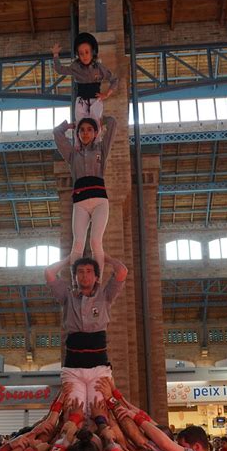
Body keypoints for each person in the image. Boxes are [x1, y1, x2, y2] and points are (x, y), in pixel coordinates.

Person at [45, 254, 127, 410]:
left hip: (99, 365)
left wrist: (106, 258)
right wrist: (68, 260)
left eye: (89, 271)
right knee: (75, 409)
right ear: (75, 277)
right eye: (80, 272)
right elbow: (49, 273)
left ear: (96, 277)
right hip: (73, 366)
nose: (84, 275)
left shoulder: (105, 295)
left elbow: (122, 271)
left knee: (99, 408)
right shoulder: (67, 296)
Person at [53, 113, 117, 279]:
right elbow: (57, 133)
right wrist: (69, 126)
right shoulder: (72, 155)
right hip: (80, 203)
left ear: (95, 133)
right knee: (78, 243)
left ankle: (97, 281)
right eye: (82, 130)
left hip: (100, 202)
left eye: (89, 130)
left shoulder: (101, 150)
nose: (85, 133)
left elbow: (113, 124)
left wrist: (101, 121)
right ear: (78, 134)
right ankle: (76, 284)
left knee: (96, 242)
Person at [52, 32, 118, 124]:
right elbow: (60, 70)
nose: (84, 56)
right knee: (80, 124)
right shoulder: (75, 67)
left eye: (87, 52)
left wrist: (106, 94)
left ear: (92, 52)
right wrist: (55, 54)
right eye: (81, 53)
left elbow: (114, 80)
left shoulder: (99, 68)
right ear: (78, 55)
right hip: (81, 101)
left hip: (96, 100)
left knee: (96, 125)